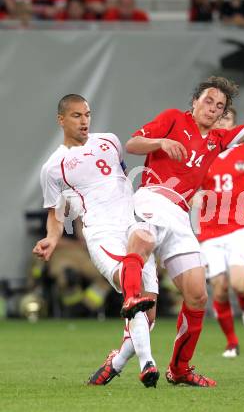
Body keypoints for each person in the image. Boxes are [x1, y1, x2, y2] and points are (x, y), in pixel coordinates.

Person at [125, 73, 244, 387]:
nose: (213, 109)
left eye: (220, 106)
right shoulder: (173, 119)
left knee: (198, 296)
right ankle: (131, 297)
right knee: (142, 245)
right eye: (208, 101)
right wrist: (160, 141)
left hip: (179, 215)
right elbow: (132, 143)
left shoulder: (218, 141)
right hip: (153, 197)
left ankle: (179, 368)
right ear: (195, 102)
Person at [32, 94, 160, 388]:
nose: (84, 120)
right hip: (102, 231)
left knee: (148, 314)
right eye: (76, 115)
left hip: (133, 222)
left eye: (87, 114)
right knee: (135, 291)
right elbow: (55, 212)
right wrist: (52, 238)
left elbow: (124, 177)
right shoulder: (54, 166)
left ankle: (115, 362)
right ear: (61, 120)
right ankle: (147, 364)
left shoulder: (110, 141)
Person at [198, 108, 244, 358]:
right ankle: (232, 342)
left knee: (238, 283)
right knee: (219, 288)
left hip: (240, 227)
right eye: (218, 118)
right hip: (210, 231)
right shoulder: (203, 153)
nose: (222, 123)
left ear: (234, 124)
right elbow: (193, 185)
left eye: (227, 119)